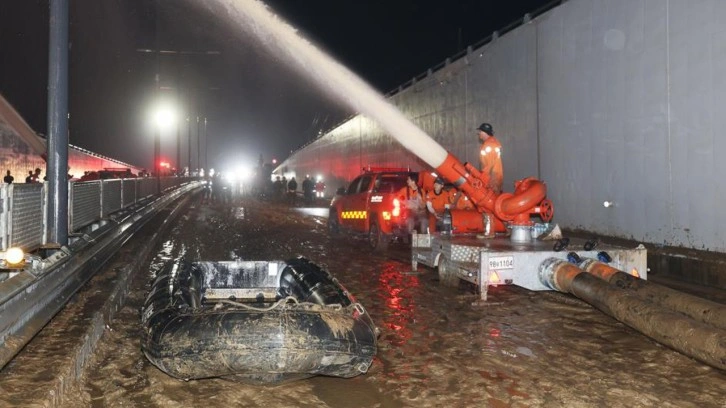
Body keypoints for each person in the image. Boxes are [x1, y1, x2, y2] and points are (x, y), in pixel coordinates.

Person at [477, 122, 503, 194]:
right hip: (493, 176)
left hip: (492, 178)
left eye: (480, 131)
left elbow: (489, 165)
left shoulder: (490, 144)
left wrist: (482, 177)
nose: (479, 133)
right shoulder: (489, 143)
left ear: (485, 132)